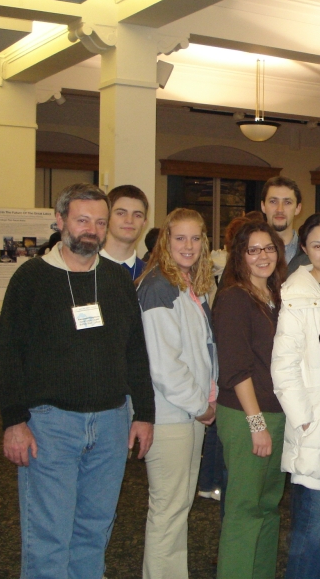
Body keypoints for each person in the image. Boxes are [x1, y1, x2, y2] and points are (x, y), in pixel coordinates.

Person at [0, 183, 155, 578]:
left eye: (100, 222)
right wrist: (14, 421)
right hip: (50, 425)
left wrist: (144, 413)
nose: (91, 230)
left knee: (95, 530)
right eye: (82, 220)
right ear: (60, 219)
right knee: (48, 535)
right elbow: (7, 354)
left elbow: (135, 350)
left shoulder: (116, 280)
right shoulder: (31, 278)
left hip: (112, 423)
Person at [136, 208, 218, 579]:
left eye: (195, 238)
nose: (188, 246)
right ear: (165, 241)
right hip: (171, 414)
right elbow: (164, 365)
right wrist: (201, 406)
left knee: (179, 505)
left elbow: (199, 351)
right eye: (179, 238)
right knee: (168, 508)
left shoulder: (188, 284)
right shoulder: (158, 286)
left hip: (189, 413)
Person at [271, 212, 320, 579]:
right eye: (317, 245)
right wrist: (305, 421)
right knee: (311, 527)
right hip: (315, 424)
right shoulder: (295, 294)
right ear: (304, 249)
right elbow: (283, 368)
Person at [213, 219, 288, 579]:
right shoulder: (233, 298)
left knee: (268, 506)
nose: (263, 256)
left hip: (276, 413)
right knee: (244, 508)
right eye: (253, 249)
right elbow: (236, 368)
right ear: (240, 256)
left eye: (269, 248)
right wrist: (256, 423)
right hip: (247, 415)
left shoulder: (276, 297)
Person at [100, 184, 149, 280]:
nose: (129, 220)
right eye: (121, 213)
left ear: (144, 223)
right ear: (106, 217)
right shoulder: (85, 267)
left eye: (137, 215)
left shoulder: (149, 275)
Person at [260, 176, 307, 274]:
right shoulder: (246, 254)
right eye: (273, 201)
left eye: (287, 202)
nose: (280, 209)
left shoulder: (310, 256)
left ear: (298, 208)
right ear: (263, 206)